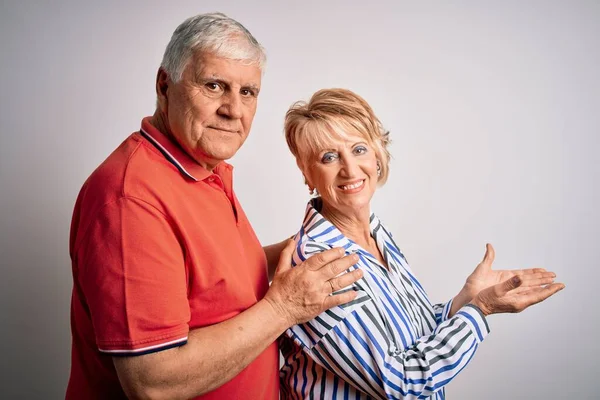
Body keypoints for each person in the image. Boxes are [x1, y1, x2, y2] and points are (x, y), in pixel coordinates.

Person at [66, 13, 363, 400]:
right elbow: (152, 381)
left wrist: (308, 245)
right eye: (214, 85)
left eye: (248, 92)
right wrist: (285, 307)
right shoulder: (132, 199)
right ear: (164, 85)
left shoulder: (204, 167)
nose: (233, 110)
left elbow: (206, 281)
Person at [279, 88, 565, 399]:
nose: (349, 169)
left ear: (377, 155)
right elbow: (401, 382)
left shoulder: (374, 233)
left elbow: (412, 338)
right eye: (329, 157)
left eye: (358, 149)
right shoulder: (319, 265)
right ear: (308, 174)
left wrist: (468, 299)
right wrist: (481, 310)